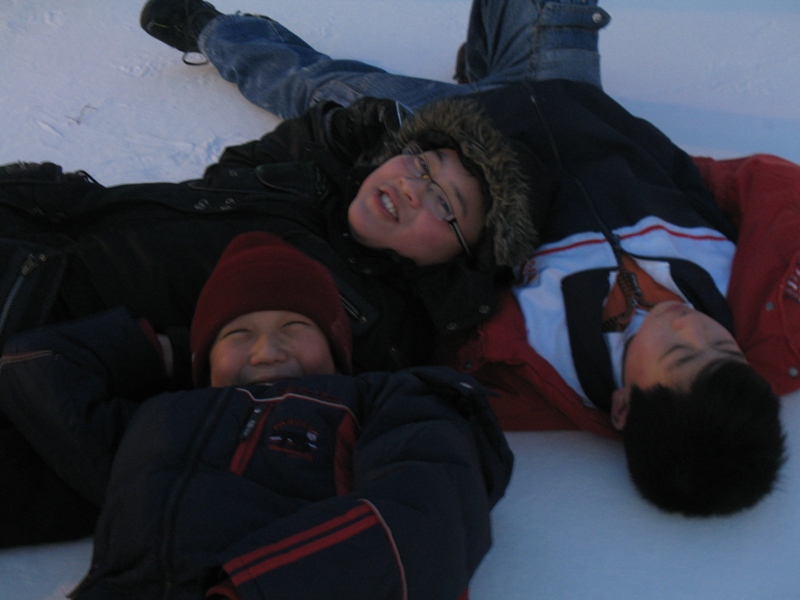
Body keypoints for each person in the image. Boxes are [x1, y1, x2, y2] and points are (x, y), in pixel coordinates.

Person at [140, 0, 792, 516]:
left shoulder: (526, 362)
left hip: (449, 148)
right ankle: (488, 60)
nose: (694, 326)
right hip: (572, 93)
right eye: (721, 347)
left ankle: (213, 29)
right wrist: (661, 167)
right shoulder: (766, 307)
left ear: (622, 407)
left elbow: (391, 367)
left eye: (680, 354)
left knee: (315, 87)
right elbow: (760, 189)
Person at [0, 73, 546, 548]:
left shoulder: (375, 337)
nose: (411, 187)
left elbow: (221, 433)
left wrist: (158, 347)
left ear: (460, 261)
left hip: (32, 329)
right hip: (32, 225)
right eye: (423, 162)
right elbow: (229, 177)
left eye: (445, 204)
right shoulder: (315, 188)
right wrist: (341, 130)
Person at [0, 231, 513, 598]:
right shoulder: (157, 419)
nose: (268, 351)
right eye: (237, 333)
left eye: (295, 326)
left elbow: (424, 509)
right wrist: (172, 350)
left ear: (338, 348)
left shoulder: (382, 399)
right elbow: (38, 366)